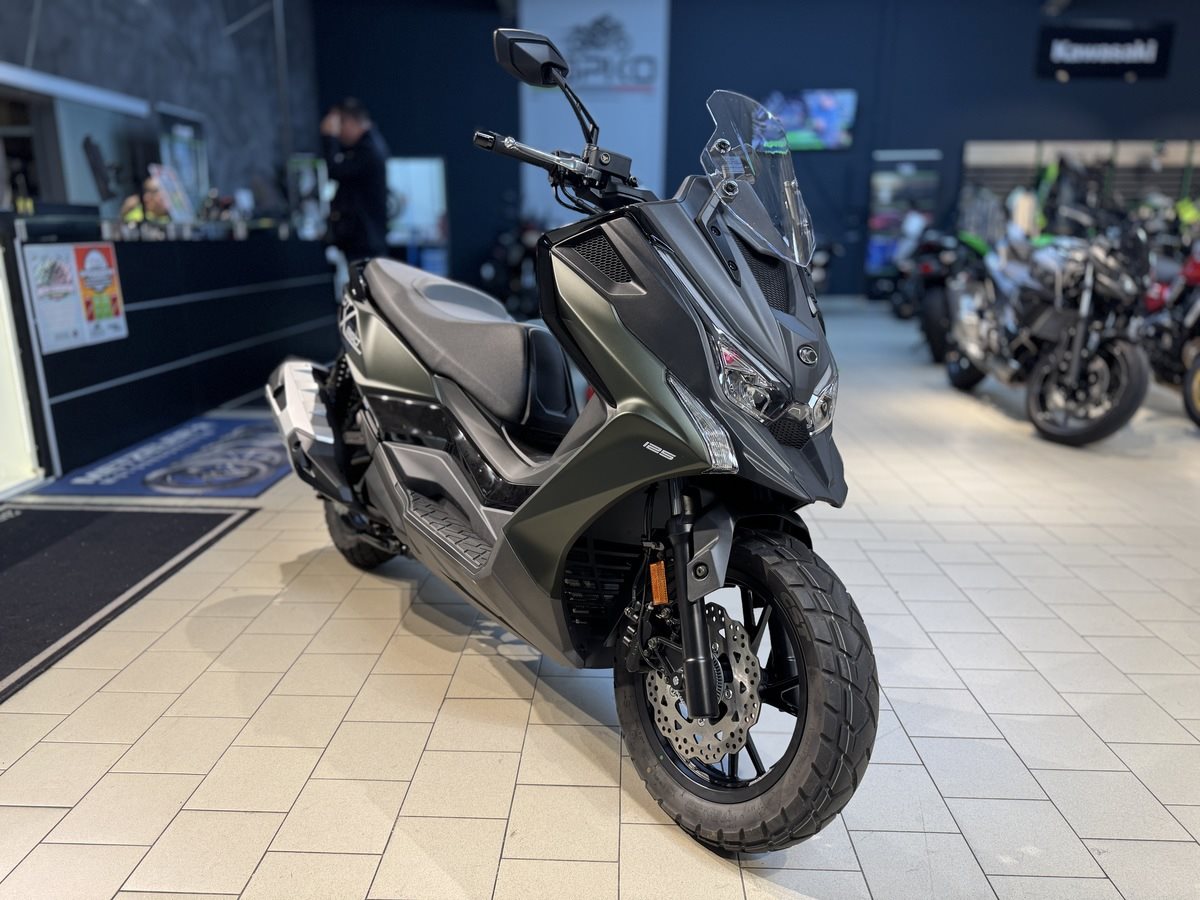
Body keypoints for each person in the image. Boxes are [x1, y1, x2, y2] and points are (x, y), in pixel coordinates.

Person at [321, 98, 390, 261]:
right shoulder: (369, 145)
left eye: (339, 126)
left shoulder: (368, 150)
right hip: (363, 238)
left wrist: (330, 138)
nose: (339, 133)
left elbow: (335, 171)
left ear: (350, 123)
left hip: (365, 240)